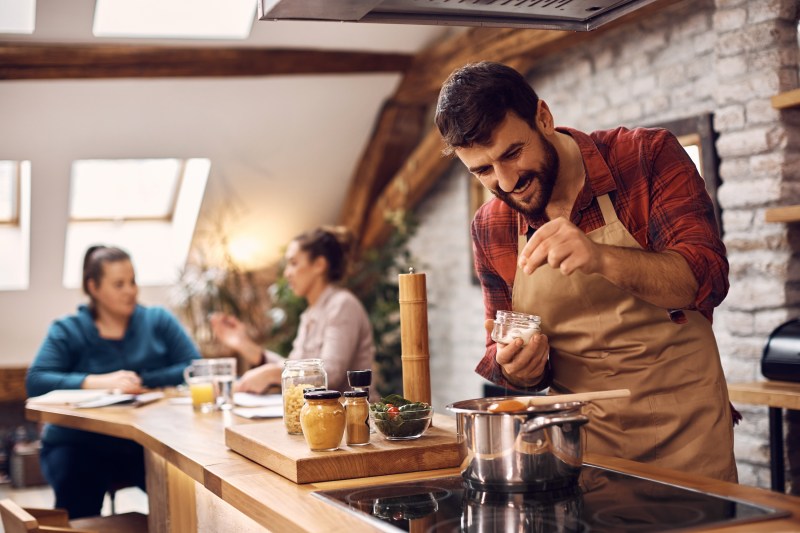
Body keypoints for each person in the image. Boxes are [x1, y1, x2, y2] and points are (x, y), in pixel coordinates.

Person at [434, 61, 737, 482]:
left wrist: (602, 258)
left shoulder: (646, 157)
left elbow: (706, 278)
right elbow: (503, 350)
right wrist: (520, 368)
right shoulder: (491, 226)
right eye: (483, 170)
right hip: (580, 453)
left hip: (689, 440)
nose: (505, 182)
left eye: (512, 153)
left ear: (544, 118)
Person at [26, 245, 200, 518]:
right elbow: (36, 381)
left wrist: (142, 379)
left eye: (132, 281)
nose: (130, 291)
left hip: (145, 442)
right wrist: (98, 382)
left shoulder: (158, 320)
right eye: (119, 284)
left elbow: (195, 368)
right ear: (93, 287)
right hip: (77, 442)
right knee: (78, 493)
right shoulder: (68, 329)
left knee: (182, 494)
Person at [209, 226, 375, 395]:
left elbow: (330, 376)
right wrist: (242, 343)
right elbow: (294, 366)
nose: (287, 273)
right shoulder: (310, 314)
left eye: (294, 263)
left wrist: (272, 374)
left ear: (319, 265)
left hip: (353, 416)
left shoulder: (342, 305)